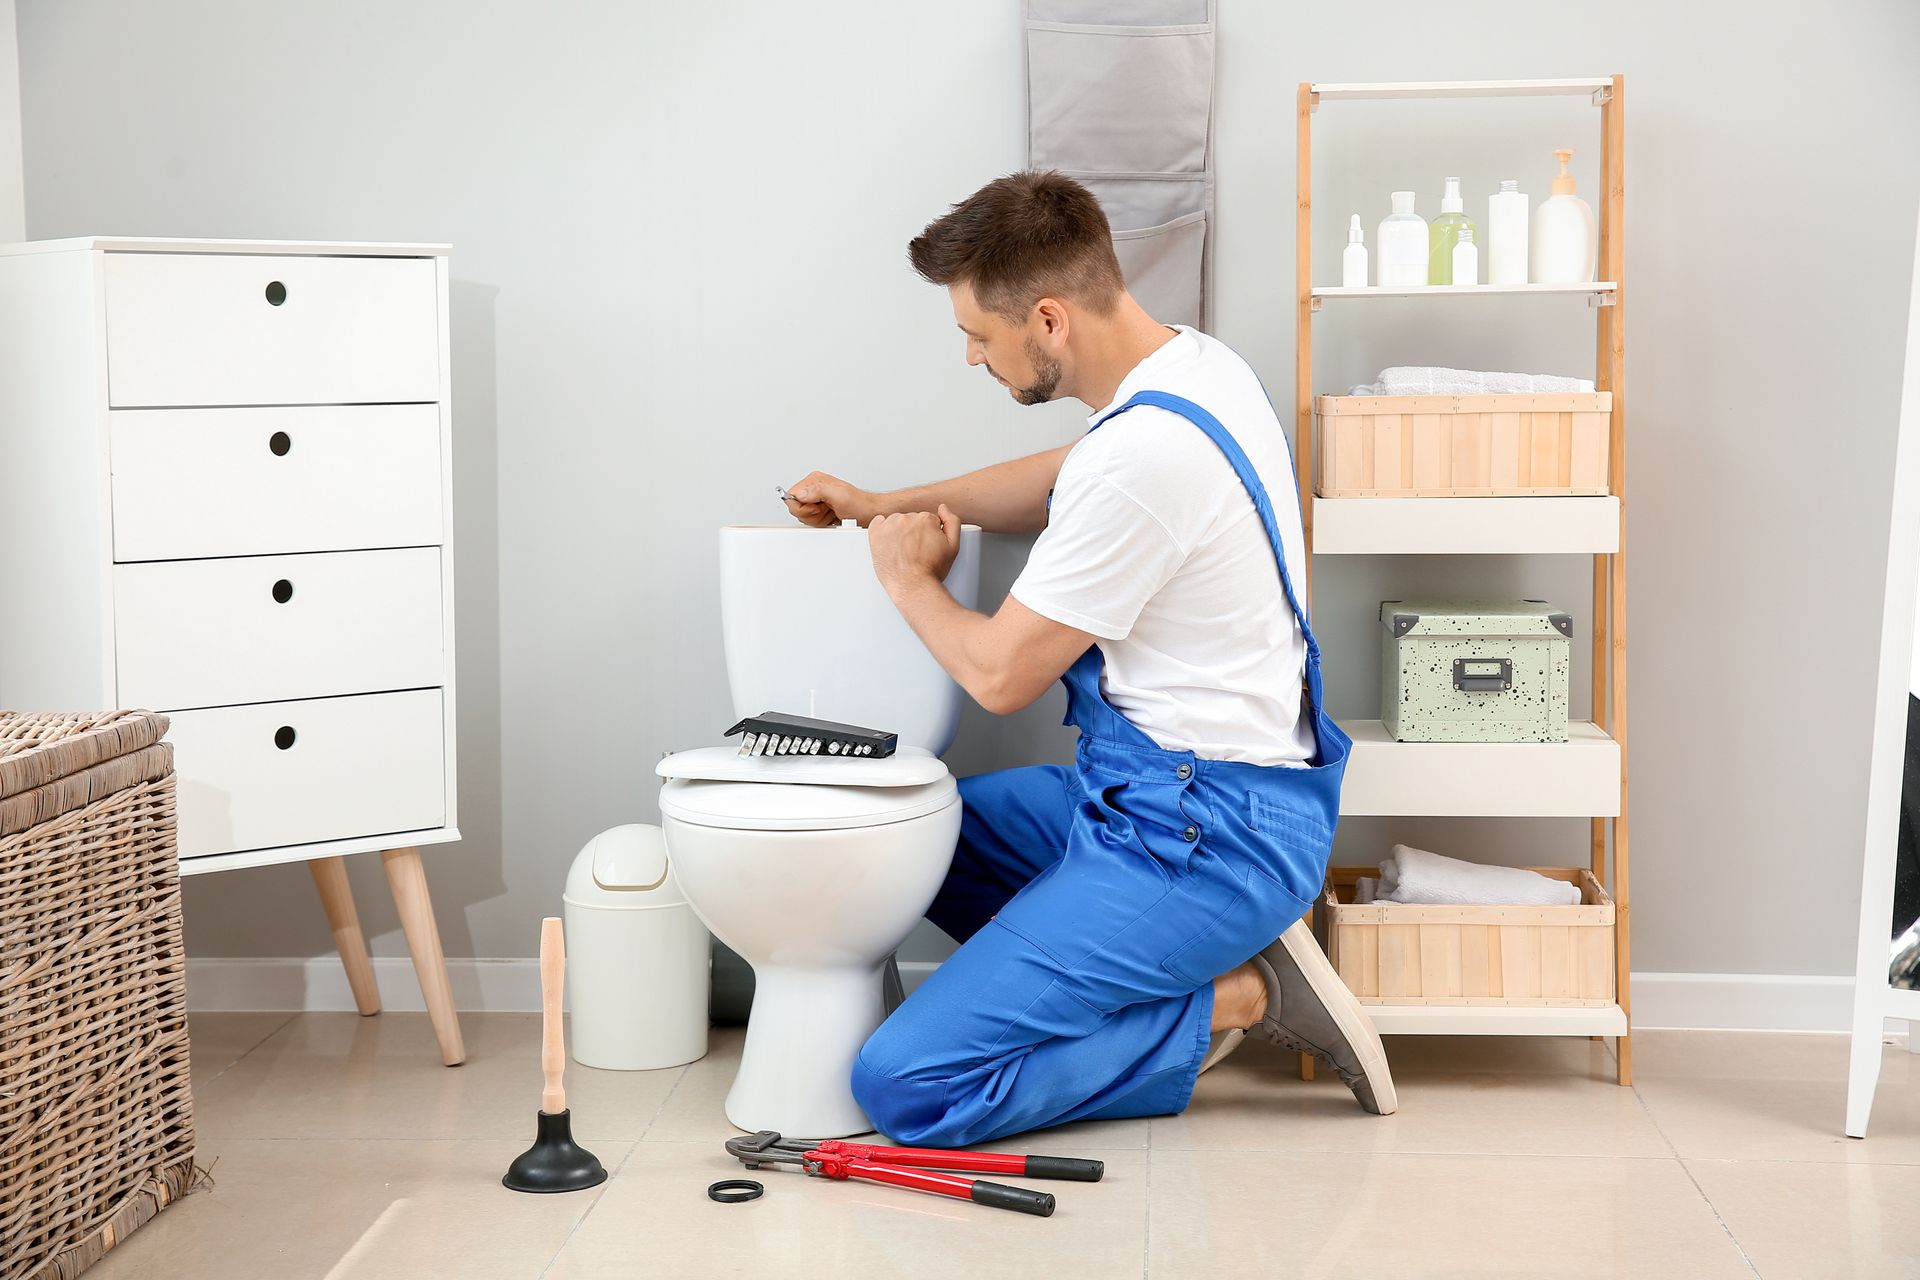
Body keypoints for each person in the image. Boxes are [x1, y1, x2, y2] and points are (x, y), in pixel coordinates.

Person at [782, 171, 1396, 1146]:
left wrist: (909, 579)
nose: (974, 359)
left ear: (1051, 320)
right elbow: (1061, 478)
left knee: (907, 1083)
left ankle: (1231, 996)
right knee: (906, 845)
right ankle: (1123, 964)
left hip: (1209, 837)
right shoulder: (1191, 369)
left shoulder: (1145, 459)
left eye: (979, 338)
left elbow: (998, 673)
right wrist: (881, 500)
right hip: (1148, 797)